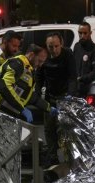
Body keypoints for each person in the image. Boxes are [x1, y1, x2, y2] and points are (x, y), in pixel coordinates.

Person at [36, 32, 77, 167]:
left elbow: (72, 77)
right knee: (49, 129)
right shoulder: (44, 56)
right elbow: (39, 78)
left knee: (66, 131)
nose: (53, 50)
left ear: (61, 44)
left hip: (64, 97)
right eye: (50, 47)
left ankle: (69, 159)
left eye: (56, 46)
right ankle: (53, 158)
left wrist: (70, 96)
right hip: (50, 97)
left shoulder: (67, 55)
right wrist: (37, 98)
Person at [0, 44, 58, 122]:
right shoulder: (17, 63)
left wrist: (48, 108)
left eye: (42, 62)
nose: (40, 65)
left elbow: (29, 95)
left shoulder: (28, 69)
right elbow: (4, 86)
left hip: (7, 115)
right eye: (39, 61)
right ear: (31, 55)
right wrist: (22, 109)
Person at [73, 22, 95, 98]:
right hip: (75, 90)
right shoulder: (77, 46)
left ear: (90, 33)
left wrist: (82, 78)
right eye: (80, 33)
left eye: (85, 33)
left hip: (88, 91)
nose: (82, 35)